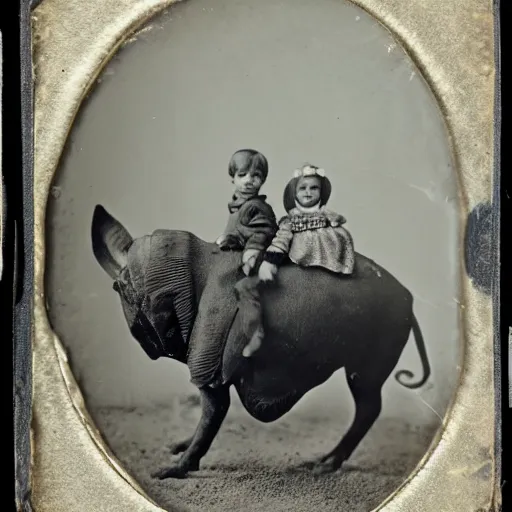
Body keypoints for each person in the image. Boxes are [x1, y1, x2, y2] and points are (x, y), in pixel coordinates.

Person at [239, 164, 355, 358]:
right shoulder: (290, 221)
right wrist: (270, 262)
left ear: (322, 192)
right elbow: (280, 241)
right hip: (297, 266)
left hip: (328, 271)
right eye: (302, 188)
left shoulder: (332, 219)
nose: (308, 192)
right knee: (253, 289)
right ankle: (257, 333)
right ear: (294, 192)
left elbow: (344, 241)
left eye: (314, 188)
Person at [186, 149, 278, 388]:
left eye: (256, 175)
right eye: (243, 174)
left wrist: (252, 250)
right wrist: (228, 239)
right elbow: (240, 232)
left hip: (259, 258)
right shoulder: (239, 206)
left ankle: (256, 333)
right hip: (242, 255)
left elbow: (263, 231)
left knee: (245, 289)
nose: (250, 180)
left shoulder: (257, 207)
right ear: (233, 178)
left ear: (263, 180)